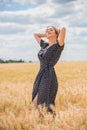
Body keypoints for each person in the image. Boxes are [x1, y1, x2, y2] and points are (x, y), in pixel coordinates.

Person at [30, 25, 66, 113]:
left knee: (40, 104)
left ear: (56, 34)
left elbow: (63, 29)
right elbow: (35, 35)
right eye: (46, 30)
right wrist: (47, 34)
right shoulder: (44, 45)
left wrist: (55, 33)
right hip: (40, 75)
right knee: (36, 102)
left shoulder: (58, 45)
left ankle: (48, 121)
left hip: (49, 76)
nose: (47, 31)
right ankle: (44, 123)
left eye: (50, 30)